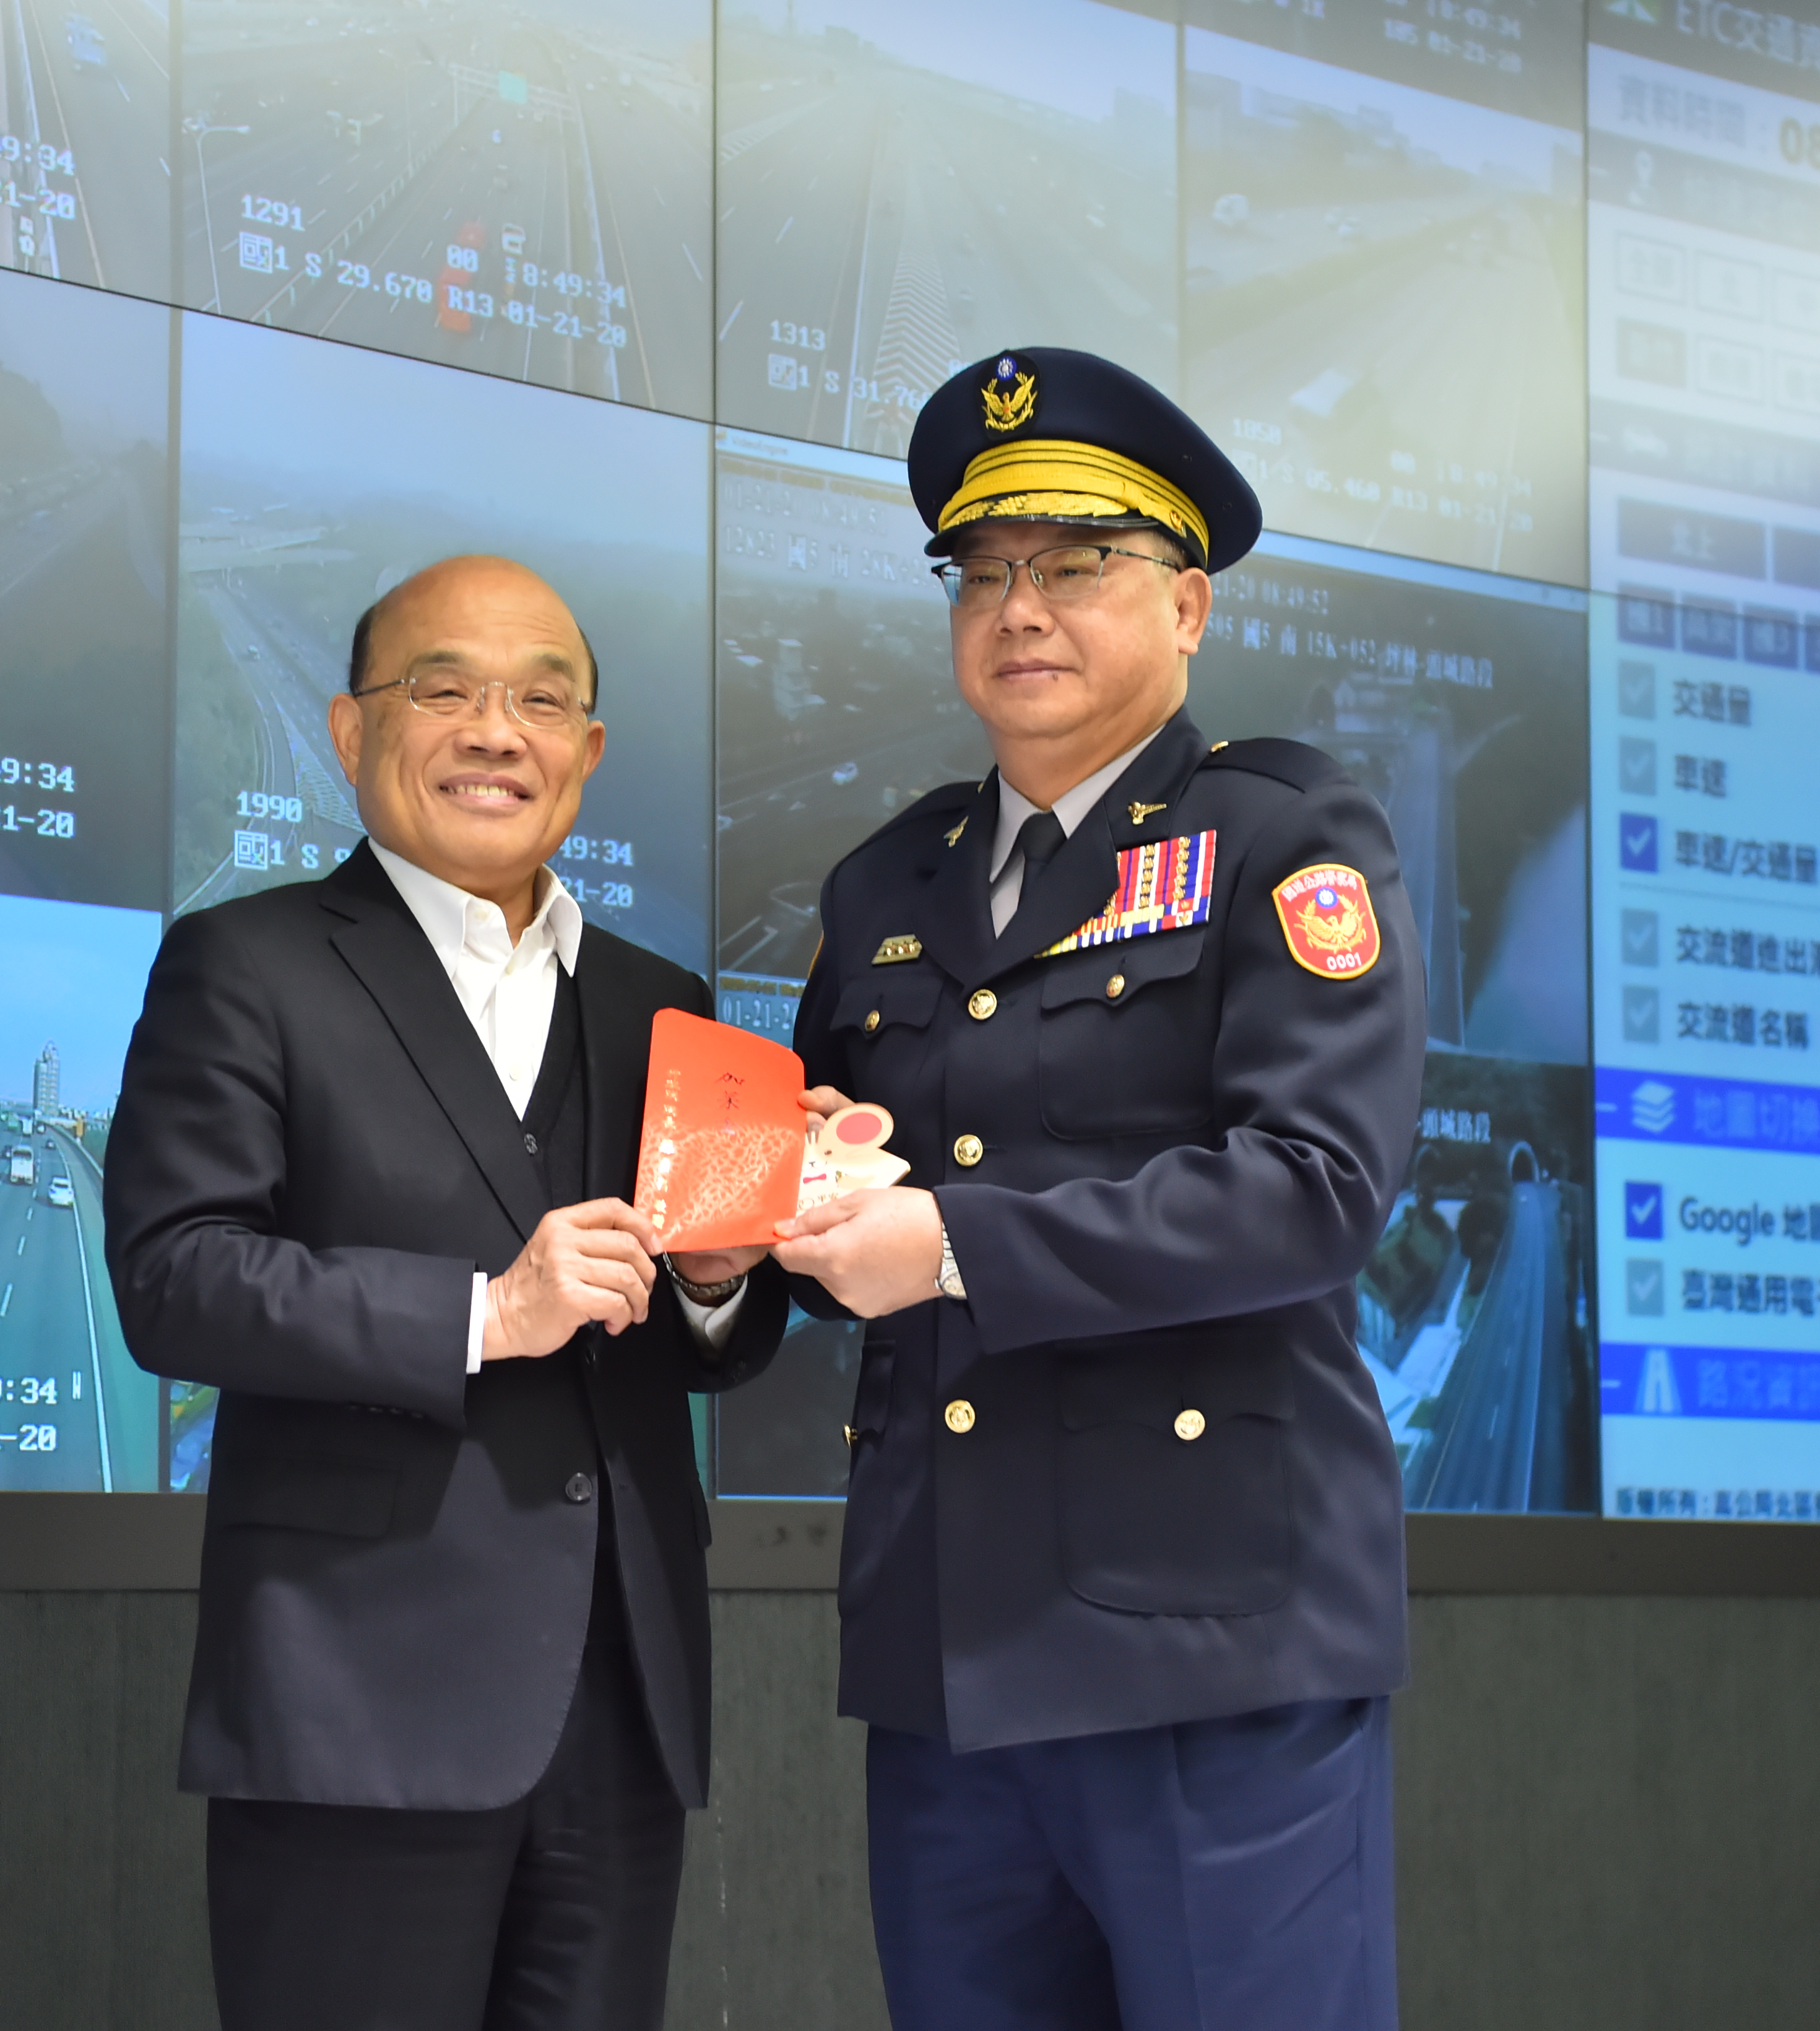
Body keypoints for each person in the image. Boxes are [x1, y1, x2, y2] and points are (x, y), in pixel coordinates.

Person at [771, 348, 1428, 2030]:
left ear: (1187, 605)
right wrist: (771, 1217)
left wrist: (948, 1245)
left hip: (1210, 1647)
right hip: (948, 1649)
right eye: (981, 573)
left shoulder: (1284, 836)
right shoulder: (886, 883)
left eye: (1076, 565)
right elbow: (831, 1179)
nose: (1020, 609)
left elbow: (1314, 1190)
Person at [103, 555, 791, 2031]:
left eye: (540, 700)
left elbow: (705, 1346)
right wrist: (483, 1311)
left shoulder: (664, 1000)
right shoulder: (244, 963)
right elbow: (177, 1277)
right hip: (359, 1694)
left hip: (622, 1700)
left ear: (586, 752)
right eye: (445, 688)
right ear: (352, 730)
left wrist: (719, 1281)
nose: (496, 730)